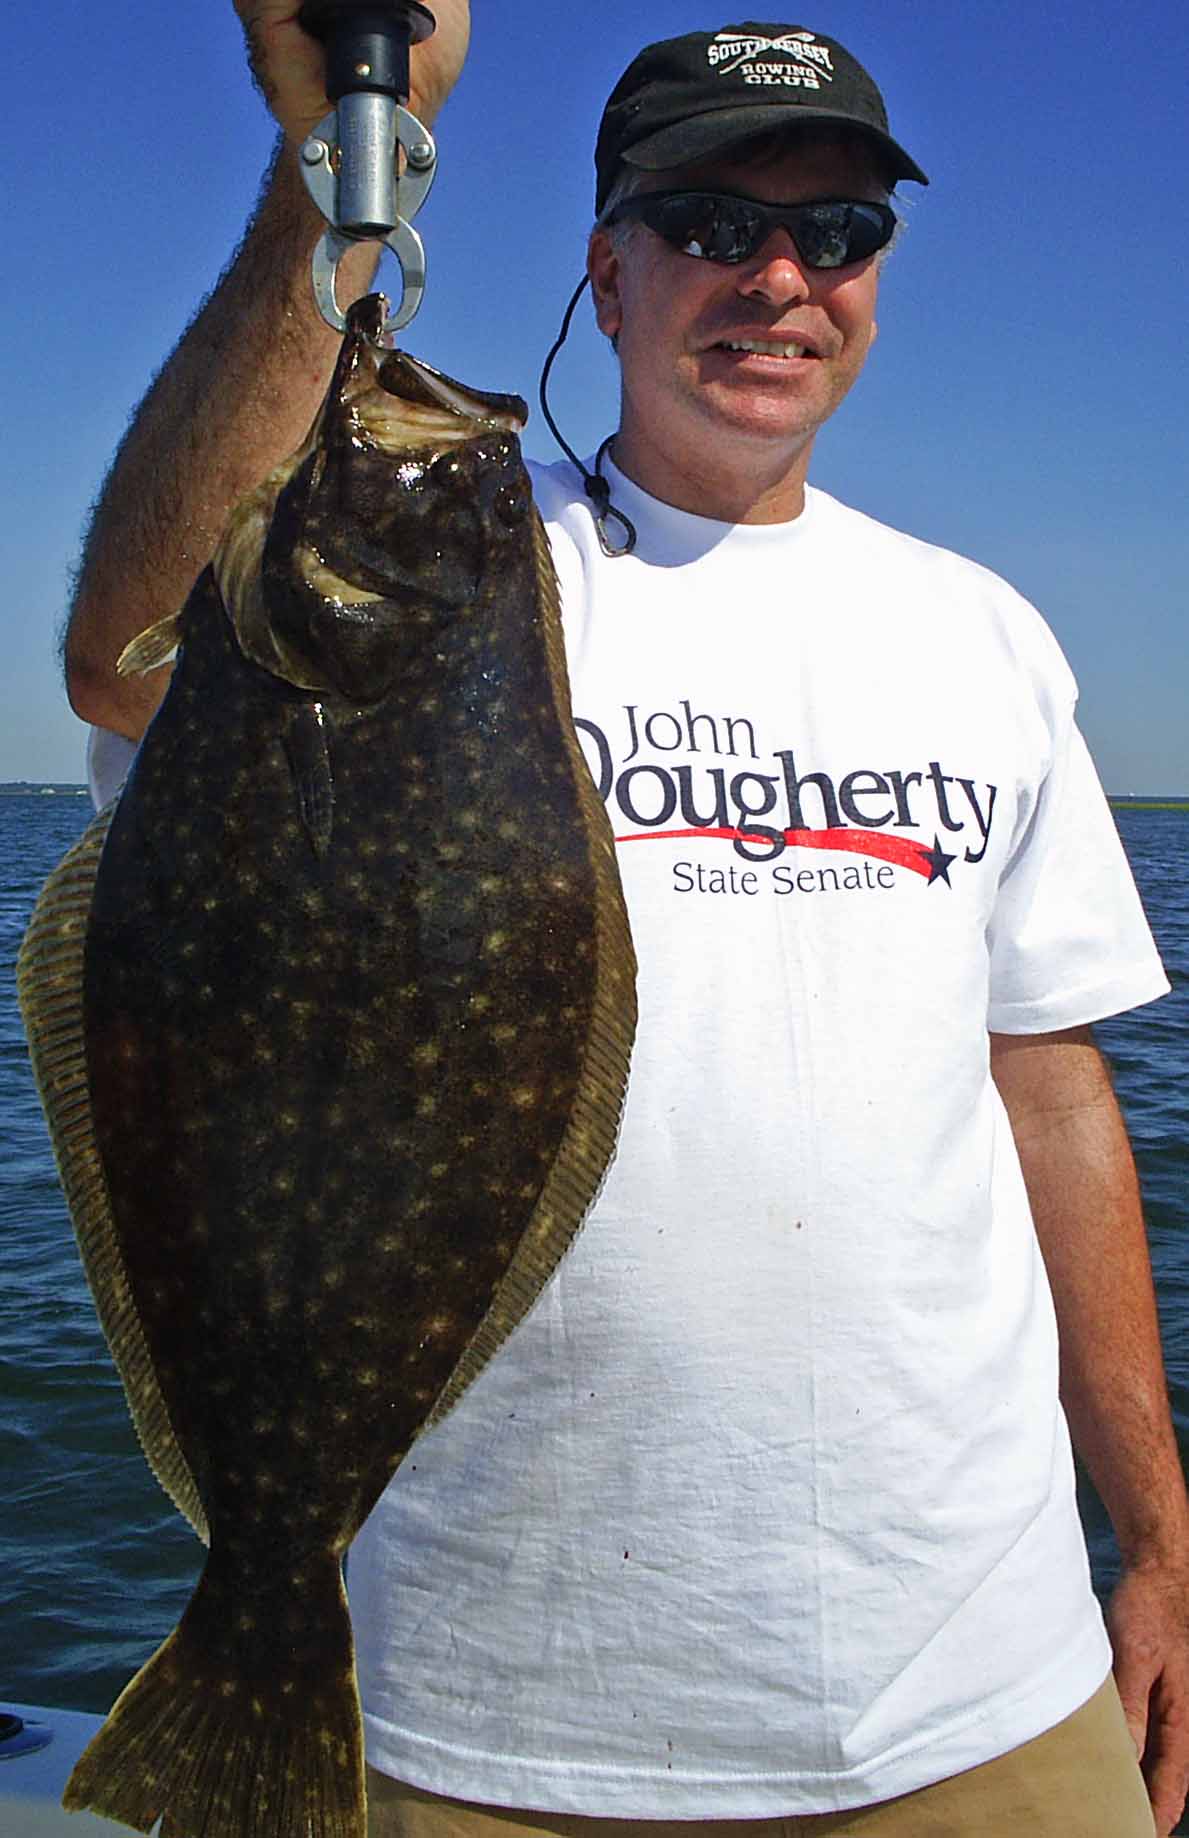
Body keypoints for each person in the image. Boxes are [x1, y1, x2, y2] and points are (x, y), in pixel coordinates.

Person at [64, 7, 1189, 1836]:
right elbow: (126, 660)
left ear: (878, 278)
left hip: (984, 1687)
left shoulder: (982, 633)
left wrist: (1154, 1534)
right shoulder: (483, 560)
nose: (775, 276)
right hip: (481, 1712)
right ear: (602, 266)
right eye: (703, 220)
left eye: (833, 231)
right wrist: (333, 174)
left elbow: (1048, 1092)